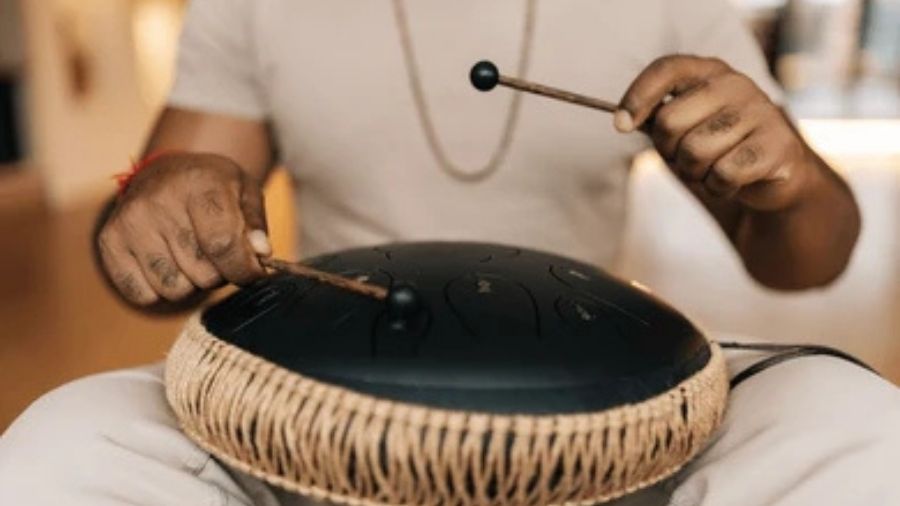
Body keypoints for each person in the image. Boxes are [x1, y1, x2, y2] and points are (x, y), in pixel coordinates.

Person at [1, 0, 898, 505]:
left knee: (861, 427)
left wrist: (785, 172)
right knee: (59, 449)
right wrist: (150, 209)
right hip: (316, 416)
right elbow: (169, 244)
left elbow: (805, 260)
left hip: (602, 419)